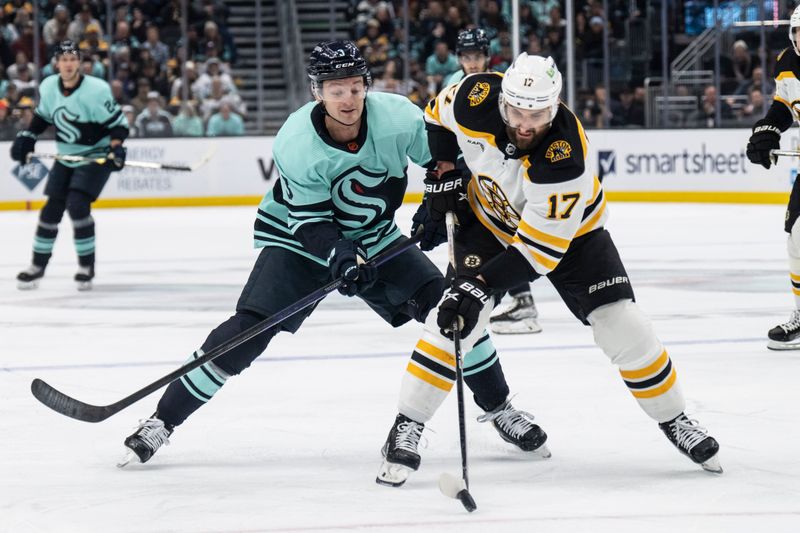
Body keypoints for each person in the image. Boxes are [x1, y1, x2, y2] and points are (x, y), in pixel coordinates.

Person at [118, 41, 548, 475]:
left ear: (367, 86)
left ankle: (499, 408)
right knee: (249, 331)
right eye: (335, 89)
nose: (347, 99)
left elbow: (443, 158)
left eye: (355, 88)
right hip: (296, 240)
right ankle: (162, 420)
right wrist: (338, 256)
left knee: (453, 314)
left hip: (376, 237)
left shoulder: (397, 117)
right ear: (316, 92)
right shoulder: (296, 140)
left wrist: (440, 199)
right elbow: (308, 223)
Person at [401, 52, 722, 474]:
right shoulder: (474, 95)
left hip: (573, 237)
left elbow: (538, 251)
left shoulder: (565, 156)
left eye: (538, 114)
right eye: (517, 111)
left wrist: (478, 283)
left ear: (554, 107)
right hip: (488, 220)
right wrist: (443, 173)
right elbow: (436, 115)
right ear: (503, 101)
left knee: (622, 324)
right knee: (453, 320)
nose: (525, 124)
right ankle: (408, 424)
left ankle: (675, 417)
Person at [446, 28, 542, 334]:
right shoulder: (453, 85)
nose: (472, 63)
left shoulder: (506, 85)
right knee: (477, 235)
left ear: (488, 56)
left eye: (477, 56)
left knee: (506, 232)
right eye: (466, 57)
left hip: (502, 176)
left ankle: (520, 300)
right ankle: (468, 291)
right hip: (470, 176)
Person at [12, 40, 128, 291]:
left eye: (73, 59)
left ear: (80, 63)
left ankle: (86, 266)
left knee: (77, 205)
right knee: (51, 210)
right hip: (66, 156)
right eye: (63, 59)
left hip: (96, 155)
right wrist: (28, 136)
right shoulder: (49, 86)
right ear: (57, 63)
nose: (68, 64)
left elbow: (118, 124)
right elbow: (42, 117)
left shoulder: (96, 90)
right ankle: (37, 266)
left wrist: (116, 147)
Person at [746, 5, 800, 350]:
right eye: (799, 33)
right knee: (797, 235)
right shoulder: (788, 64)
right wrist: (767, 130)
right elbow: (784, 105)